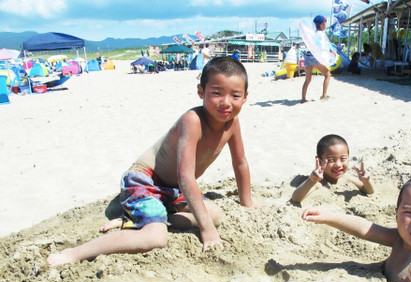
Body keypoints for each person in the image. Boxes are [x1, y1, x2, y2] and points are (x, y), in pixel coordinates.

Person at [47, 57, 256, 267]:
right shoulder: (192, 120)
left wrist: (247, 202)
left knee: (216, 216)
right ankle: (74, 253)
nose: (226, 102)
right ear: (201, 91)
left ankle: (139, 218)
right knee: (155, 238)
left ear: (245, 97)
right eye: (217, 93)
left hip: (172, 189)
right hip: (145, 181)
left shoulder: (232, 123)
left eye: (235, 95)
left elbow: (240, 162)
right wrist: (207, 231)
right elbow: (185, 176)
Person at [302, 176, 411, 282]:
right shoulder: (398, 239)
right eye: (408, 212)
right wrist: (329, 217)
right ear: (397, 215)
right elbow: (366, 229)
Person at [291, 134, 374, 204]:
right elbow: (296, 198)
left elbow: (369, 191)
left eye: (343, 159)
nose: (338, 165)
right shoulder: (319, 182)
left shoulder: (347, 178)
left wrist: (366, 181)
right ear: (319, 161)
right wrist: (311, 181)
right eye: (331, 160)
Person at [301, 15, 335, 103]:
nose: (326, 25)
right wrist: (331, 51)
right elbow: (322, 46)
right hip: (314, 57)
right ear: (322, 24)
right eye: (325, 23)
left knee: (307, 80)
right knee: (328, 75)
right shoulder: (322, 34)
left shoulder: (313, 33)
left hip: (308, 56)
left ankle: (303, 99)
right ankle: (324, 95)